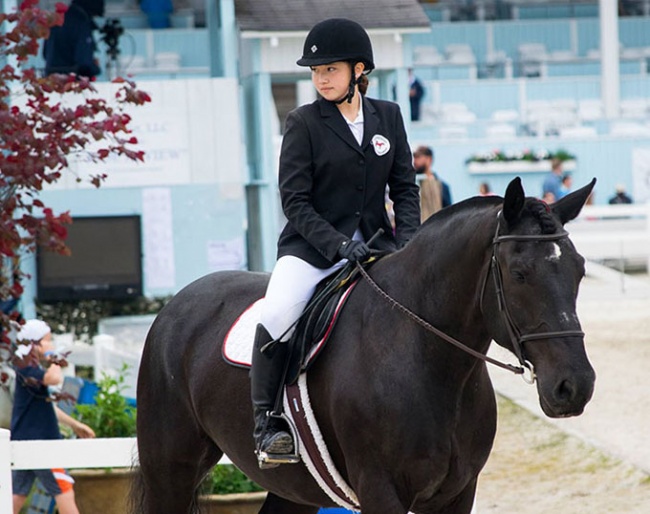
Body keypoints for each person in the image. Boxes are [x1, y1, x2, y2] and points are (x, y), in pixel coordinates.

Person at [250, 18, 420, 468]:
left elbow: (404, 188)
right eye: (315, 71)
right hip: (314, 249)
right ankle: (268, 423)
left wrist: (410, 245)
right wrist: (339, 244)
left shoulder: (389, 116)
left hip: (381, 246)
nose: (321, 78)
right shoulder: (303, 122)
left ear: (358, 70)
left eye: (330, 69)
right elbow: (295, 201)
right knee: (278, 311)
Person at [11, 319, 96, 514]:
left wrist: (75, 425)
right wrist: (54, 359)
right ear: (35, 343)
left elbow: (46, 407)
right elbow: (54, 378)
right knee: (64, 490)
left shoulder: (29, 368)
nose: (51, 344)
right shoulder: (26, 367)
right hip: (40, 444)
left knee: (16, 496)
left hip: (27, 442)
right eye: (47, 340)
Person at [43, 0, 105, 79]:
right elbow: (84, 63)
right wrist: (95, 68)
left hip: (50, 78)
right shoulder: (81, 22)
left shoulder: (58, 19)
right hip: (70, 81)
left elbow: (45, 54)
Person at [413, 145, 452, 222]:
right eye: (414, 157)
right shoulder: (412, 184)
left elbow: (449, 213)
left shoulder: (442, 186)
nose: (415, 161)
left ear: (429, 159)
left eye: (418, 157)